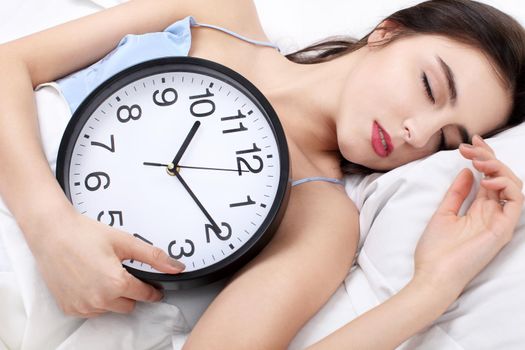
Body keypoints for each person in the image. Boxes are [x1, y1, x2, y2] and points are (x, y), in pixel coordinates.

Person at [0, 0, 523, 348]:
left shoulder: (323, 220)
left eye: (445, 141)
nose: (417, 133)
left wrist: (432, 288)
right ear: (388, 32)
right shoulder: (216, 9)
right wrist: (51, 229)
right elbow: (8, 66)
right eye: (430, 87)